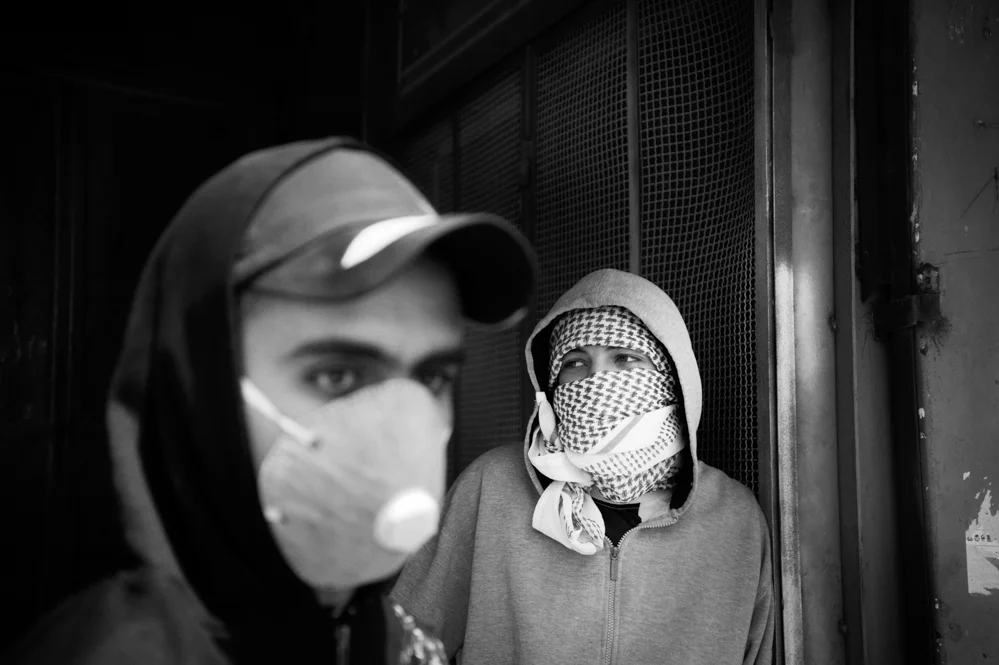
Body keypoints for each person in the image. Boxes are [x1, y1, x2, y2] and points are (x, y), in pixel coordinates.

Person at [3, 137, 536, 665]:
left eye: (432, 377)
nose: (401, 429)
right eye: (337, 375)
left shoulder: (386, 639)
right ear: (199, 390)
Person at [391, 268, 774, 664]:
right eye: (575, 363)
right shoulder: (492, 488)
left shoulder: (734, 519)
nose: (598, 381)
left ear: (670, 377)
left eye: (625, 358)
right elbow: (403, 640)